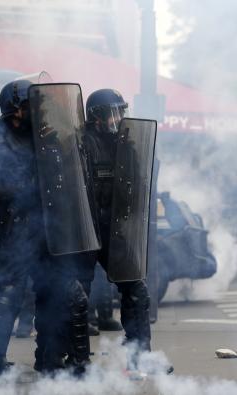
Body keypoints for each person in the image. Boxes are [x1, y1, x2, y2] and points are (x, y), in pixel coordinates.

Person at [0, 79, 90, 381]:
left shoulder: (47, 139)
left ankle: (50, 360)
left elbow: (69, 179)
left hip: (51, 232)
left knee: (59, 294)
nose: (38, 111)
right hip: (15, 231)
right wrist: (21, 188)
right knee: (7, 295)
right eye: (30, 105)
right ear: (15, 109)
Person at [80, 89, 168, 372]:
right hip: (84, 228)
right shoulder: (82, 143)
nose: (118, 118)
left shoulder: (125, 142)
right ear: (96, 117)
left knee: (136, 290)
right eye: (112, 112)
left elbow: (137, 180)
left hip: (113, 229)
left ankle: (140, 357)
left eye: (121, 111)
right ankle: (74, 361)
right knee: (75, 296)